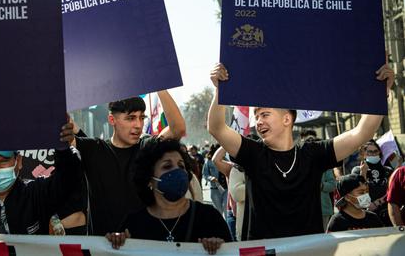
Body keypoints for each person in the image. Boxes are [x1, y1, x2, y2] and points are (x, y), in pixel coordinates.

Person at [207, 62, 394, 239]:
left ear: (287, 119)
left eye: (265, 114)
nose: (259, 122)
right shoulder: (253, 153)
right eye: (256, 117)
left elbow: (362, 133)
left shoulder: (313, 154)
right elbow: (216, 128)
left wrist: (380, 92)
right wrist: (220, 90)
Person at [75, 90, 186, 236]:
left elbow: (178, 129)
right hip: (102, 247)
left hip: (143, 244)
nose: (138, 125)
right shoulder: (94, 149)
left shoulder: (147, 147)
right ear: (112, 119)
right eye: (131, 118)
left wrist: (161, 87)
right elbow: (60, 133)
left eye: (141, 118)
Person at [105, 138, 231, 254]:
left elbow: (231, 251)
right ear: (149, 179)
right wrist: (116, 243)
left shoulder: (209, 218)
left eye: (181, 166)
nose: (177, 171)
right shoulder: (133, 224)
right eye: (167, 166)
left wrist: (221, 248)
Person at [351, 140, 393, 226]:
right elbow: (358, 193)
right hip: (367, 214)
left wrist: (377, 202)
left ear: (379, 153)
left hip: (387, 213)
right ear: (364, 154)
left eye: (375, 151)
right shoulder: (357, 170)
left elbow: (392, 191)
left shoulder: (387, 170)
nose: (373, 154)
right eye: (370, 152)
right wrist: (363, 174)